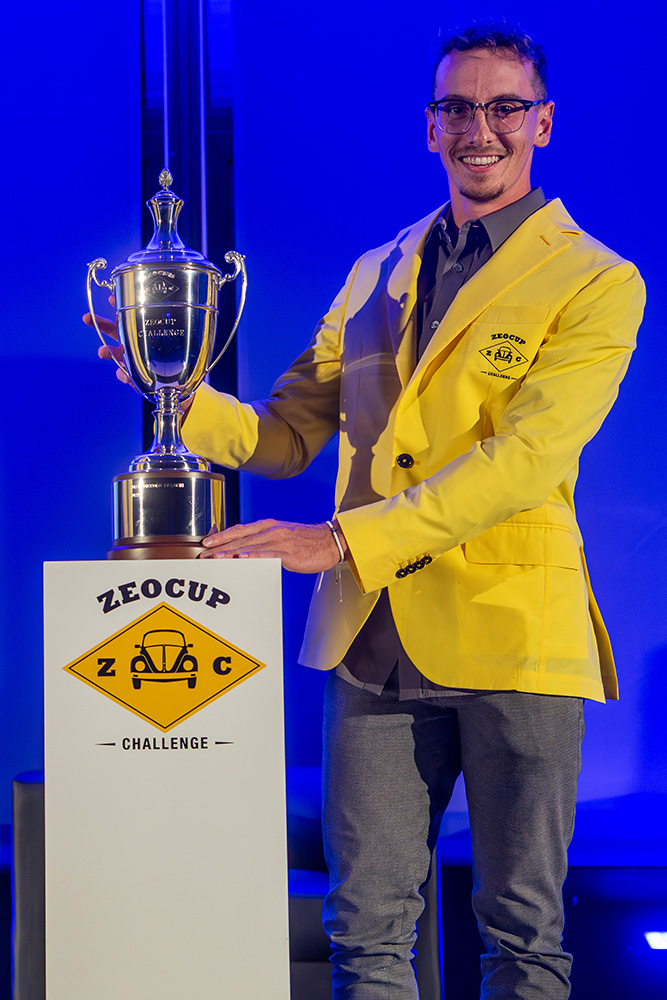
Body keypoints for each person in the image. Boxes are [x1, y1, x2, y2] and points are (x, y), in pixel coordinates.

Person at [94, 20, 645, 999]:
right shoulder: (371, 273)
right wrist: (169, 381)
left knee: (522, 931)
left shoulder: (596, 279)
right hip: (371, 645)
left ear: (543, 122)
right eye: (457, 108)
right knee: (365, 930)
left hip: (514, 637)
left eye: (504, 107)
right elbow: (283, 437)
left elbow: (524, 462)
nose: (479, 129)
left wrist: (341, 538)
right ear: (429, 127)